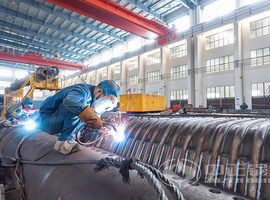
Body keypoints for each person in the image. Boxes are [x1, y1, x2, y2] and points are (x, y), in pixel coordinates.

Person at [39, 80, 120, 155]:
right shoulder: (83, 91)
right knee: (78, 105)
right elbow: (69, 101)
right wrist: (92, 119)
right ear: (100, 91)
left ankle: (70, 136)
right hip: (48, 120)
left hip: (56, 120)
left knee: (86, 109)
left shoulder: (91, 97)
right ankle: (64, 142)